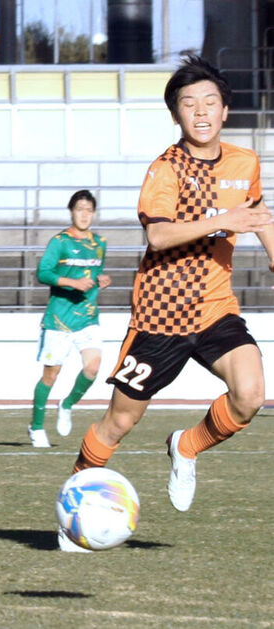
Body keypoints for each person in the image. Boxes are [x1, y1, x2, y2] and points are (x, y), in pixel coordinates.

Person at [60, 55, 274, 551]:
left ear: (225, 111)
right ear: (176, 116)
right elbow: (158, 235)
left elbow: (257, 216)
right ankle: (71, 508)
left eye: (209, 102)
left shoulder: (246, 163)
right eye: (188, 104)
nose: (200, 112)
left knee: (250, 395)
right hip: (161, 316)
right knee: (119, 422)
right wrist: (223, 221)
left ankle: (186, 445)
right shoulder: (166, 168)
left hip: (217, 308)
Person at [28, 190, 110, 448]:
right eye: (80, 209)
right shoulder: (60, 242)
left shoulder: (100, 242)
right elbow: (43, 273)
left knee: (93, 367)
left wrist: (101, 281)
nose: (84, 214)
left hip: (87, 317)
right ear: (71, 211)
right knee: (51, 376)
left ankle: (67, 404)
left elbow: (94, 274)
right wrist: (72, 282)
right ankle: (36, 426)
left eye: (89, 210)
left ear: (94, 213)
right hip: (59, 319)